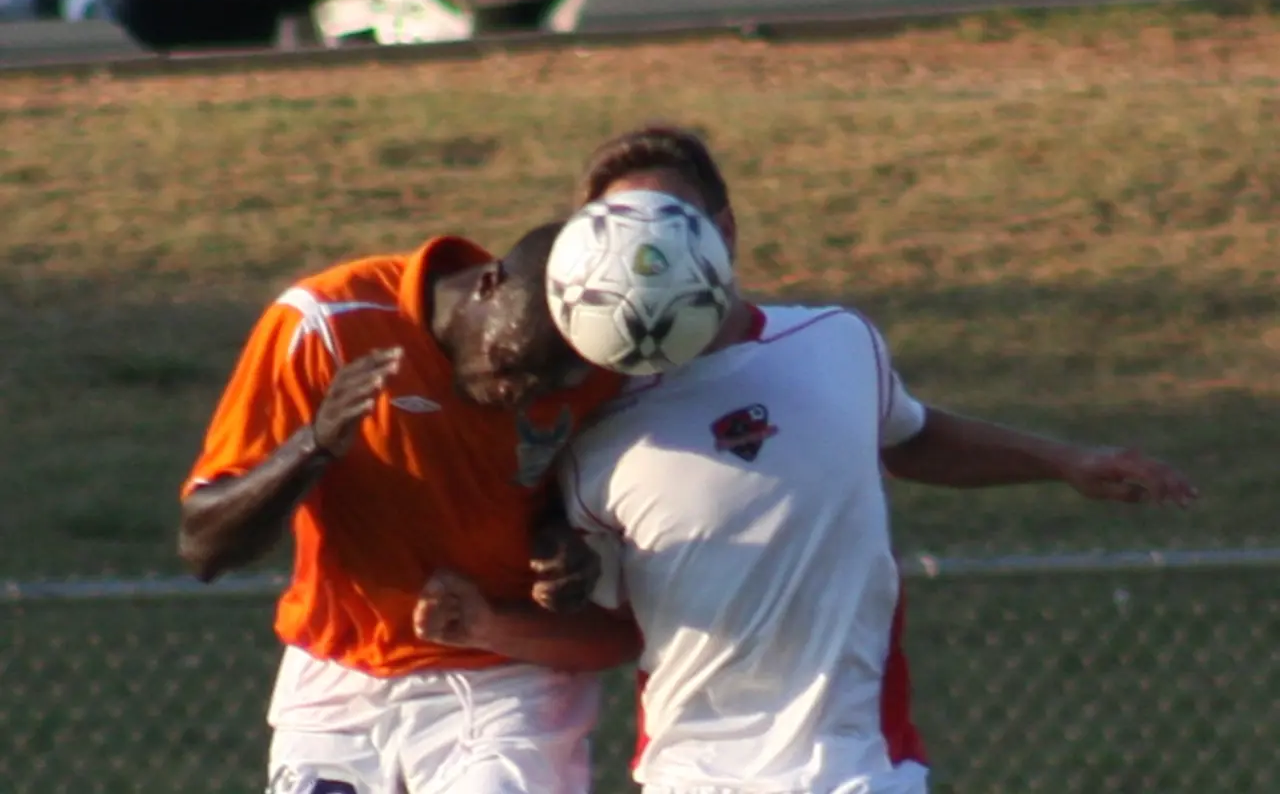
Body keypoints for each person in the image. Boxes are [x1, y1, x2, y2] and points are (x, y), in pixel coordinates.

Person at [413, 126, 1199, 794]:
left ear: (723, 232)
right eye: (623, 228)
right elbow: (601, 623)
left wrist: (1063, 460)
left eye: (672, 221)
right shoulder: (592, 428)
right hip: (694, 775)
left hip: (857, 764)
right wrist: (500, 612)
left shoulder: (835, 342)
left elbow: (910, 436)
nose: (650, 251)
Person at [176, 222, 641, 794]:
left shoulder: (604, 371)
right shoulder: (328, 322)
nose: (517, 392)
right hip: (340, 678)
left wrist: (562, 541)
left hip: (504, 675)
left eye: (549, 384)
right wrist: (314, 445)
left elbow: (581, 498)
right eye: (511, 362)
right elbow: (204, 547)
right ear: (489, 284)